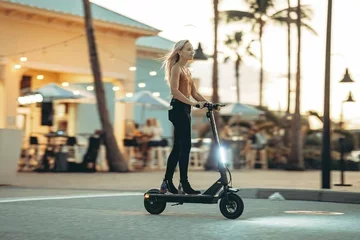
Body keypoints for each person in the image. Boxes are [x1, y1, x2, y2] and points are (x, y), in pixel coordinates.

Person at [160, 39, 217, 195]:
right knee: (185, 147)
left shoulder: (187, 71)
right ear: (179, 52)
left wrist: (208, 103)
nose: (192, 52)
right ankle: (184, 183)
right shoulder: (176, 68)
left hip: (185, 109)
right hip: (178, 108)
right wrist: (193, 104)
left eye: (192, 49)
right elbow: (175, 91)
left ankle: (167, 181)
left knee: (179, 147)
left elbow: (194, 93)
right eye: (188, 49)